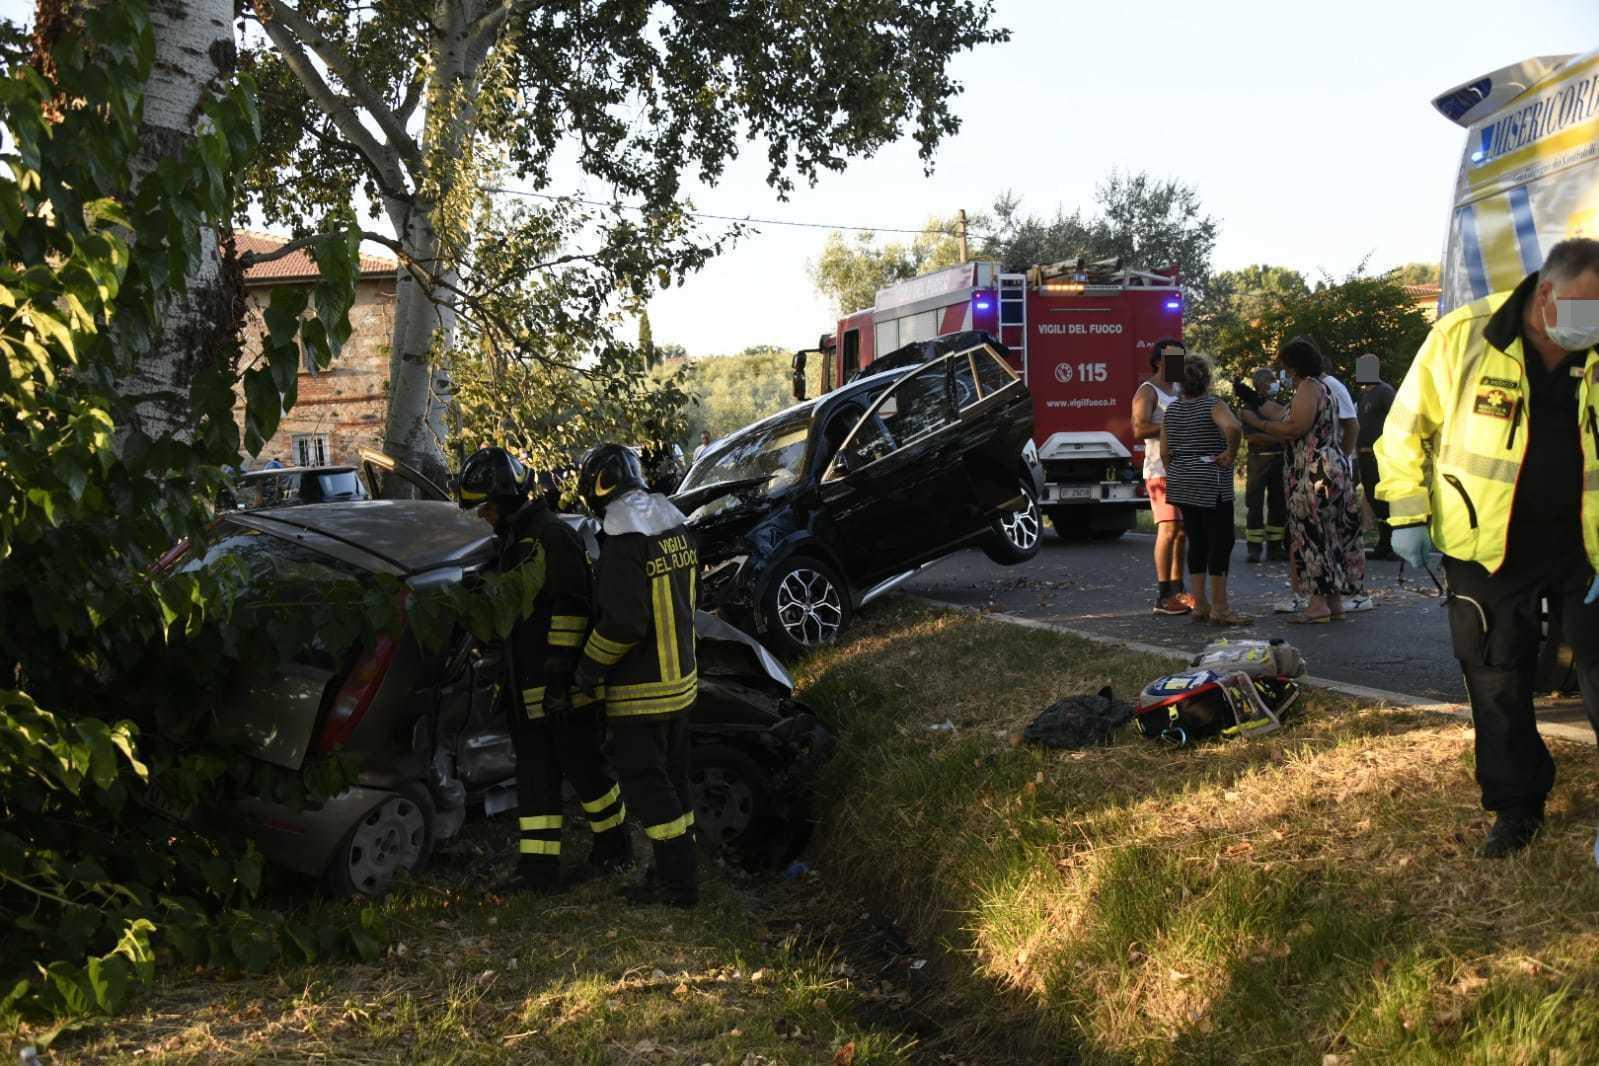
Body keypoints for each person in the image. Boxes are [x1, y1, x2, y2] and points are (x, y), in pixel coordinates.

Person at [1376, 238, 1599, 858]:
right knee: (1496, 677)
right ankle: (1517, 806)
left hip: (1586, 548)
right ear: (1547, 293)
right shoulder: (1465, 336)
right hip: (1488, 547)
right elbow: (1403, 431)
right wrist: (1407, 512)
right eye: (1589, 307)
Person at [455, 447, 631, 893]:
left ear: (508, 499)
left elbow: (573, 607)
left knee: (586, 770)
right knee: (535, 779)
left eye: (487, 507)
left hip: (563, 687)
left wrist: (559, 677)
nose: (485, 516)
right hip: (527, 686)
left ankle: (615, 848)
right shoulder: (513, 542)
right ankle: (538, 872)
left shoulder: (551, 537)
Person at [573, 444, 701, 906]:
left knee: (648, 785)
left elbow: (624, 623)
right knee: (675, 780)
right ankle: (679, 870)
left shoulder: (623, 539)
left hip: (641, 691)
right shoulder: (675, 526)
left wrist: (588, 667)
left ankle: (677, 884)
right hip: (681, 684)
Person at [1241, 336, 1366, 623]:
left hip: (1313, 471)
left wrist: (1260, 424)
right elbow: (1289, 415)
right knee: (1330, 534)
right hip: (1330, 467)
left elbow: (1295, 426)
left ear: (1294, 366)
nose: (1283, 373)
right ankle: (1334, 603)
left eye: (1285, 366)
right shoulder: (1325, 387)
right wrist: (1260, 404)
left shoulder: (1308, 387)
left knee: (1311, 535)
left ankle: (1317, 604)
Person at [1160, 353, 1250, 626]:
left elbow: (1165, 451)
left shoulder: (1172, 410)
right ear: (1207, 379)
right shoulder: (1213, 404)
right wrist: (1230, 453)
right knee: (1221, 542)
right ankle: (1220, 608)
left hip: (1182, 481)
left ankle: (1200, 604)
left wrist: (1177, 469)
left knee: (1196, 540)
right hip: (1211, 481)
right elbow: (1233, 427)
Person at [1131, 338, 1191, 615]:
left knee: (1182, 532)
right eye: (1174, 359)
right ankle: (1163, 595)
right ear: (1158, 362)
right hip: (1160, 470)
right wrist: (1174, 426)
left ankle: (1179, 590)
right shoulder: (1148, 391)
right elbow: (1140, 428)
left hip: (1184, 468)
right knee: (1167, 529)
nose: (1181, 364)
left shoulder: (1181, 390)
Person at [1240, 367, 1288, 563]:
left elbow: (1289, 428)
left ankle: (1275, 548)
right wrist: (1278, 435)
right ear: (1260, 385)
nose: (1275, 382)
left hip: (1280, 460)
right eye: (1271, 380)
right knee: (1255, 505)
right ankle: (1254, 549)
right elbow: (1254, 437)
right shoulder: (1249, 408)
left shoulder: (1280, 405)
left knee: (1279, 504)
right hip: (1258, 460)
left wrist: (1278, 435)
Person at [1354, 353, 1397, 561]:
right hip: (1363, 454)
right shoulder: (1364, 394)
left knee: (1384, 500)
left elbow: (1398, 417)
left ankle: (1392, 544)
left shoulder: (1384, 392)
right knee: (1373, 499)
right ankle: (1383, 542)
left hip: (1379, 455)